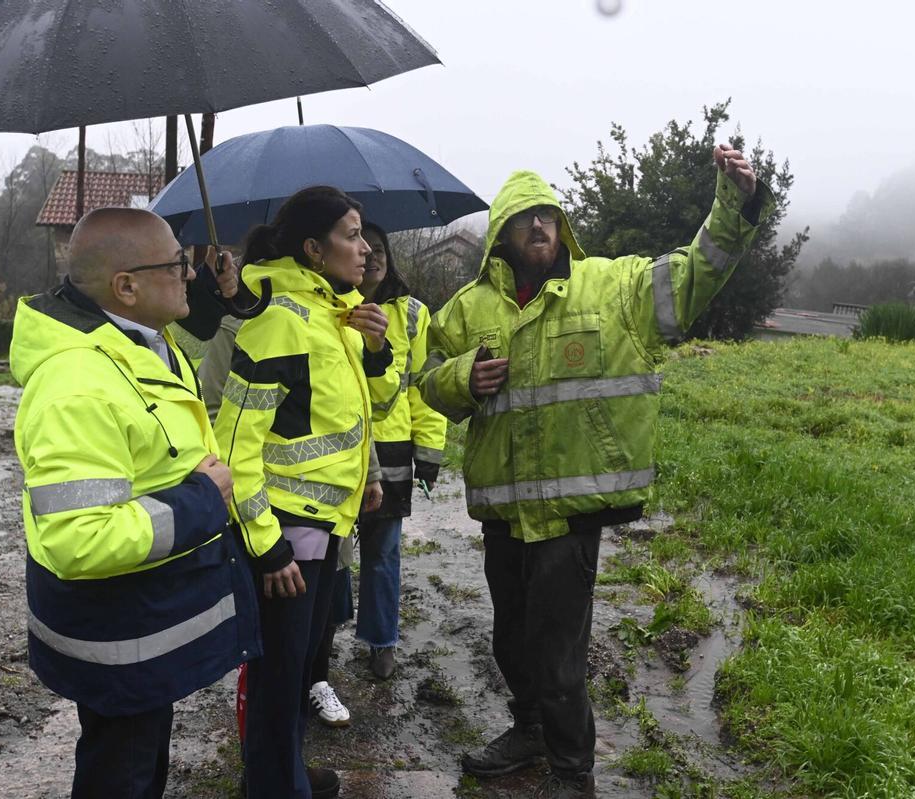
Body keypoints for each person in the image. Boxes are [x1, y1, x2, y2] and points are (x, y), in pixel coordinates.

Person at [417, 145, 773, 798]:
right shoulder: (468, 310)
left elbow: (698, 273)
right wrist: (462, 376)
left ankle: (572, 773)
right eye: (525, 220)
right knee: (511, 641)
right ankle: (527, 729)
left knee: (557, 655)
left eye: (549, 216)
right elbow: (427, 383)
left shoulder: (614, 288)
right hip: (503, 511)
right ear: (502, 234)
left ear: (562, 226)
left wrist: (734, 205)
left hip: (570, 513)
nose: (540, 228)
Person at [9, 207, 261, 799]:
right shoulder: (76, 385)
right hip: (117, 637)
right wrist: (205, 499)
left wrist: (229, 295)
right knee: (120, 773)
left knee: (141, 763)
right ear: (127, 286)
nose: (190, 275)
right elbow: (80, 538)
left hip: (141, 623)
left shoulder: (141, 341)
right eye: (177, 264)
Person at [214, 186, 398, 799]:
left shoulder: (333, 314)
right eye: (351, 234)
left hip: (325, 523)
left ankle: (285, 772)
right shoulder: (280, 323)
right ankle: (272, 786)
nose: (366, 248)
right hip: (287, 533)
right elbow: (236, 445)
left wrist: (375, 348)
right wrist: (268, 548)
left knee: (298, 673)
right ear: (315, 249)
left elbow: (359, 410)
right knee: (278, 674)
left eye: (365, 232)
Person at [308, 222, 447, 700]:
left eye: (381, 248)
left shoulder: (412, 314)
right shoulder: (326, 310)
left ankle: (381, 640)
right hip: (338, 449)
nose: (374, 256)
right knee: (335, 551)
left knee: (383, 552)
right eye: (365, 247)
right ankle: (328, 632)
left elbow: (424, 387)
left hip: (392, 448)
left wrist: (428, 452)